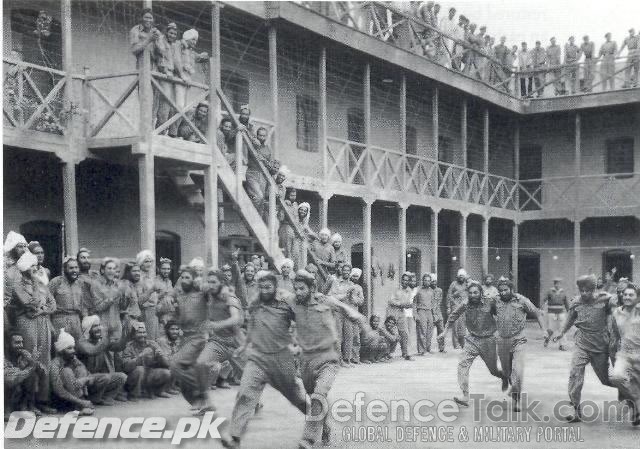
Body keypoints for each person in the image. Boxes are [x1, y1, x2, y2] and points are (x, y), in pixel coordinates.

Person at [288, 269, 373, 448]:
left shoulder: (327, 301)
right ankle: (325, 428)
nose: (298, 292)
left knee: (319, 395)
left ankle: (308, 438)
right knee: (315, 398)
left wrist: (366, 330)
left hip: (329, 359)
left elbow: (353, 314)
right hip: (306, 360)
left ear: (312, 288)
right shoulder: (293, 303)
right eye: (296, 289)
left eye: (301, 288)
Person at [222, 272, 307, 448]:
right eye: (261, 287)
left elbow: (302, 320)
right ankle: (235, 438)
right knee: (245, 394)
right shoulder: (255, 302)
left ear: (275, 286)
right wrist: (245, 345)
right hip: (258, 358)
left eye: (268, 287)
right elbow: (252, 324)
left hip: (281, 358)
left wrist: (298, 343)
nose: (264, 290)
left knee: (296, 398)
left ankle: (320, 422)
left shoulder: (287, 302)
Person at [552, 274, 614, 422]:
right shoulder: (576, 302)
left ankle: (631, 393)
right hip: (581, 344)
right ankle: (575, 409)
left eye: (588, 290)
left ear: (594, 289)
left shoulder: (605, 299)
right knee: (575, 373)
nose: (584, 293)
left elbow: (621, 308)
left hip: (600, 346)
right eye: (582, 290)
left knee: (605, 380)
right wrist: (561, 332)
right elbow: (570, 318)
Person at [438, 281, 504, 406]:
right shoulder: (465, 304)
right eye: (470, 293)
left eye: (476, 292)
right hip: (472, 340)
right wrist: (445, 331)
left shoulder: (490, 303)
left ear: (481, 293)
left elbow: (502, 315)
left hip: (488, 340)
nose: (473, 295)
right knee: (463, 364)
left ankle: (507, 377)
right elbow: (453, 315)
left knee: (494, 371)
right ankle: (465, 395)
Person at [493, 277, 548, 411]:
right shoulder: (495, 301)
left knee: (518, 371)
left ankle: (516, 400)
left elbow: (537, 313)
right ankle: (506, 378)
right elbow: (488, 314)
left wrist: (544, 331)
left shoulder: (522, 300)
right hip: (502, 340)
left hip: (519, 340)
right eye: (501, 291)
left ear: (512, 289)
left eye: (506, 290)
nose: (503, 293)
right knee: (507, 371)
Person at [12, 251, 56, 413]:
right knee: (31, 358)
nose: (35, 268)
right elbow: (29, 303)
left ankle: (42, 400)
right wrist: (41, 306)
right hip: (26, 324)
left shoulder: (41, 283)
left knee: (45, 359)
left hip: (42, 322)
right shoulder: (18, 285)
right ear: (24, 268)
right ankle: (27, 401)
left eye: (36, 265)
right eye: (32, 265)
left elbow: (53, 305)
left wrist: (42, 310)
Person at [169, 267, 216, 414]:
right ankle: (200, 402)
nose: (184, 280)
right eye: (182, 277)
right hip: (185, 339)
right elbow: (178, 318)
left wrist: (203, 284)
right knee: (185, 376)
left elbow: (212, 289)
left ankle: (202, 395)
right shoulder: (180, 296)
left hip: (198, 338)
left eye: (187, 277)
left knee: (175, 365)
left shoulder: (202, 294)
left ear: (194, 279)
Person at [199, 270, 244, 389]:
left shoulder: (229, 296)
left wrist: (216, 325)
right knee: (201, 363)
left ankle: (255, 402)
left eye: (214, 282)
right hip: (218, 341)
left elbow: (235, 319)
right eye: (209, 282)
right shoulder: (209, 292)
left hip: (235, 341)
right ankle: (204, 397)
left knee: (248, 375)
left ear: (222, 283)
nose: (211, 285)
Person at [74, 315, 127, 405]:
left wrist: (126, 334)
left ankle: (105, 397)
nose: (99, 328)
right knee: (105, 377)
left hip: (99, 378)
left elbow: (118, 347)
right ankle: (93, 398)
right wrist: (106, 335)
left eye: (99, 325)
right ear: (88, 329)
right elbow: (93, 350)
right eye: (95, 326)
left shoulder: (101, 341)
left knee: (122, 377)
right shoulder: (82, 343)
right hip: (86, 379)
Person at [610, 284, 640, 425]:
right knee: (617, 377)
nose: (627, 297)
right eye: (625, 294)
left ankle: (635, 411)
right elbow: (615, 335)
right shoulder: (616, 313)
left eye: (631, 295)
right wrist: (612, 354)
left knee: (637, 384)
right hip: (624, 354)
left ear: (637, 297)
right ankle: (636, 404)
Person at [122, 321, 172, 400]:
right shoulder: (129, 347)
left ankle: (158, 391)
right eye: (139, 333)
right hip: (133, 377)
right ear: (133, 335)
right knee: (140, 369)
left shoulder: (152, 344)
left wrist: (161, 357)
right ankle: (133, 394)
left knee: (166, 373)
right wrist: (140, 357)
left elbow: (167, 364)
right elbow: (125, 367)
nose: (142, 335)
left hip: (149, 374)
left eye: (144, 332)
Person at [49, 329, 95, 415]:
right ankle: (81, 405)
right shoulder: (54, 365)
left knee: (80, 368)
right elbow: (59, 391)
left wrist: (85, 379)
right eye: (69, 348)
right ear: (61, 351)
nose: (73, 351)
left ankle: (82, 403)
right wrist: (81, 402)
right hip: (60, 401)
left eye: (73, 347)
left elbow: (90, 375)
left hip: (76, 397)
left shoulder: (73, 359)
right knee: (67, 371)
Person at [4, 331, 45, 417]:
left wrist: (33, 361)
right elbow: (11, 380)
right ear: (7, 344)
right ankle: (6, 410)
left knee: (33, 376)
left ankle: (27, 406)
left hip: (16, 390)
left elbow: (42, 372)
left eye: (22, 342)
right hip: (7, 389)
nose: (21, 345)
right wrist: (31, 366)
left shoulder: (22, 354)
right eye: (17, 343)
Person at [86, 258, 124, 342]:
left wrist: (125, 297)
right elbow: (97, 307)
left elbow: (122, 307)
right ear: (103, 270)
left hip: (116, 325)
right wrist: (112, 298)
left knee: (118, 352)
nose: (112, 271)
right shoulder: (96, 285)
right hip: (102, 325)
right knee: (104, 353)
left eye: (114, 269)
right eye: (109, 268)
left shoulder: (117, 285)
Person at [328, 263, 357, 366]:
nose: (346, 272)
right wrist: (345, 295)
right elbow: (331, 297)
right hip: (338, 311)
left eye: (348, 271)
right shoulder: (336, 283)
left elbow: (354, 300)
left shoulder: (352, 285)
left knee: (349, 335)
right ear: (341, 271)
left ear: (350, 272)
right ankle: (338, 360)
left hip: (348, 312)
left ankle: (347, 359)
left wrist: (352, 297)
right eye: (344, 270)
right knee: (338, 336)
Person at [49, 257, 84, 342]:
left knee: (76, 350)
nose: (74, 270)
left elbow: (83, 306)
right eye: (71, 268)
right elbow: (46, 303)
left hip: (76, 321)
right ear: (64, 269)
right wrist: (50, 326)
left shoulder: (80, 284)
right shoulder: (56, 282)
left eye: (76, 267)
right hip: (60, 320)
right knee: (62, 349)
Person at [175, 28, 208, 116]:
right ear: (187, 38)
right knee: (179, 106)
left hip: (186, 81)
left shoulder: (190, 51)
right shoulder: (179, 45)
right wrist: (182, 75)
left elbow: (197, 57)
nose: (195, 42)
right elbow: (177, 61)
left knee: (183, 106)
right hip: (178, 78)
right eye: (193, 39)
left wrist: (203, 56)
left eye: (196, 40)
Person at [155, 22, 179, 135]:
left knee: (173, 105)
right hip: (164, 75)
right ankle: (160, 130)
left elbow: (176, 61)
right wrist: (165, 71)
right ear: (166, 32)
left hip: (172, 76)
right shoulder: (161, 41)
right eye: (170, 33)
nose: (172, 35)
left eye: (174, 34)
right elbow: (161, 59)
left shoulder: (174, 46)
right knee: (164, 104)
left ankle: (169, 131)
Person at [386, 272, 414, 360]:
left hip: (401, 312)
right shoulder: (395, 288)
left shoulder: (409, 290)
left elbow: (408, 302)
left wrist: (408, 305)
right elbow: (390, 301)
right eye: (404, 280)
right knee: (392, 332)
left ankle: (405, 353)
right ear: (401, 280)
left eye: (407, 280)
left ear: (409, 282)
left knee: (404, 332)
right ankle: (389, 353)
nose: (405, 282)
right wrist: (401, 304)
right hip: (392, 311)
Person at [4, 231, 29, 329]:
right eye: (20, 246)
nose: (23, 250)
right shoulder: (4, 265)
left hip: (20, 310)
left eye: (24, 246)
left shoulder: (23, 266)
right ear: (12, 248)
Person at [414, 273, 441, 355]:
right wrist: (415, 314)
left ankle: (428, 348)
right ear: (422, 281)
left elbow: (434, 304)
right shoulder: (418, 290)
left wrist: (435, 315)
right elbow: (414, 303)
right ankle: (422, 350)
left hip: (429, 312)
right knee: (422, 330)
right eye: (425, 280)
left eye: (429, 281)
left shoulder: (432, 291)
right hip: (421, 310)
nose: (427, 282)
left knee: (430, 331)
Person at [542, 277, 570, 350]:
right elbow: (544, 300)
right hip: (551, 313)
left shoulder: (563, 292)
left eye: (559, 284)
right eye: (556, 284)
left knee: (562, 329)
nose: (557, 285)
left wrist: (569, 312)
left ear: (560, 284)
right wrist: (542, 309)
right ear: (554, 284)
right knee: (551, 329)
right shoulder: (550, 292)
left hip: (561, 313)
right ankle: (547, 339)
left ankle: (562, 345)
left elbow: (566, 304)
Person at [156, 320, 182, 394]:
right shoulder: (162, 341)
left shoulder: (177, 340)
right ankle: (167, 387)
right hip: (159, 366)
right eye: (172, 329)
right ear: (167, 330)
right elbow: (166, 361)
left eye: (177, 329)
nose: (175, 331)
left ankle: (173, 385)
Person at [447, 268, 468, 349]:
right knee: (455, 326)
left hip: (464, 307)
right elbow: (449, 295)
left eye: (463, 276)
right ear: (457, 276)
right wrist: (448, 307)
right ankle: (456, 344)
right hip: (455, 307)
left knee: (463, 326)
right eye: (460, 276)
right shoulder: (453, 284)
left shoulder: (466, 284)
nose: (461, 277)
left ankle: (463, 343)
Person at [278, 187, 298, 260]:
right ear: (287, 196)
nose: (293, 197)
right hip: (285, 228)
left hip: (294, 230)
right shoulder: (284, 203)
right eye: (291, 195)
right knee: (286, 250)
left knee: (293, 251)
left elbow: (297, 218)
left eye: (294, 195)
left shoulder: (295, 205)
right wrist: (284, 206)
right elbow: (281, 218)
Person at [156, 257, 175, 325]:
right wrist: (161, 294)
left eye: (168, 269)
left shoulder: (169, 282)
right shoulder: (155, 281)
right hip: (159, 315)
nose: (166, 271)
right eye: (163, 269)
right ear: (159, 269)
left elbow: (171, 295)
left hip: (169, 314)